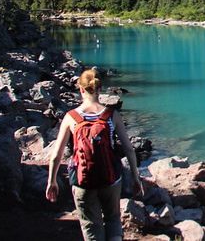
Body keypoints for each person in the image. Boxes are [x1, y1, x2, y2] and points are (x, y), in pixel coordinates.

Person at [45, 68, 144, 241]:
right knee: (113, 218)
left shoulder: (71, 117)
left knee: (90, 224)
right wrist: (136, 178)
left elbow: (56, 156)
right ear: (99, 89)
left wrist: (52, 181)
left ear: (81, 89)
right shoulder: (111, 115)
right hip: (110, 178)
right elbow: (128, 149)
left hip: (83, 181)